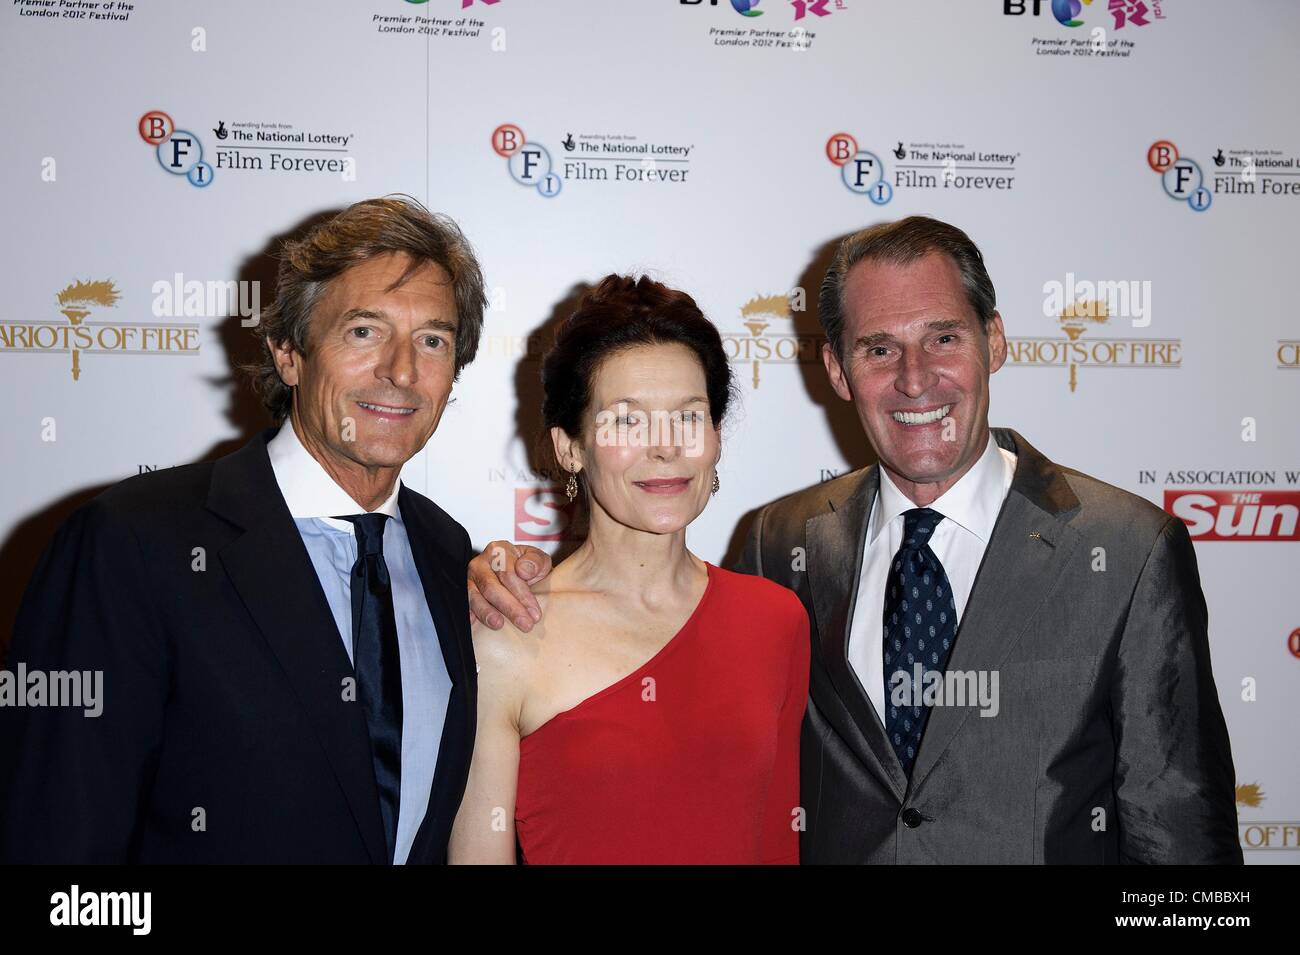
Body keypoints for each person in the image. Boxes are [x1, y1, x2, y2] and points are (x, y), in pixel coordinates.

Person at [467, 217, 1242, 864]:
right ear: (836, 368)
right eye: (879, 348)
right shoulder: (783, 545)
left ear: (995, 341)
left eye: (943, 337)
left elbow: (1182, 835)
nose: (915, 378)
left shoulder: (1127, 550)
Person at [0, 196, 486, 864]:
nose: (401, 371)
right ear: (288, 353)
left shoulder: (446, 552)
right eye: (364, 332)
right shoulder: (132, 543)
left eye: (433, 340)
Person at [448, 275, 809, 864]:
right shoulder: (509, 626)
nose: (664, 448)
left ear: (715, 436)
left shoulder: (774, 620)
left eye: (689, 417)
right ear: (569, 447)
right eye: (626, 421)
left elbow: (777, 843)